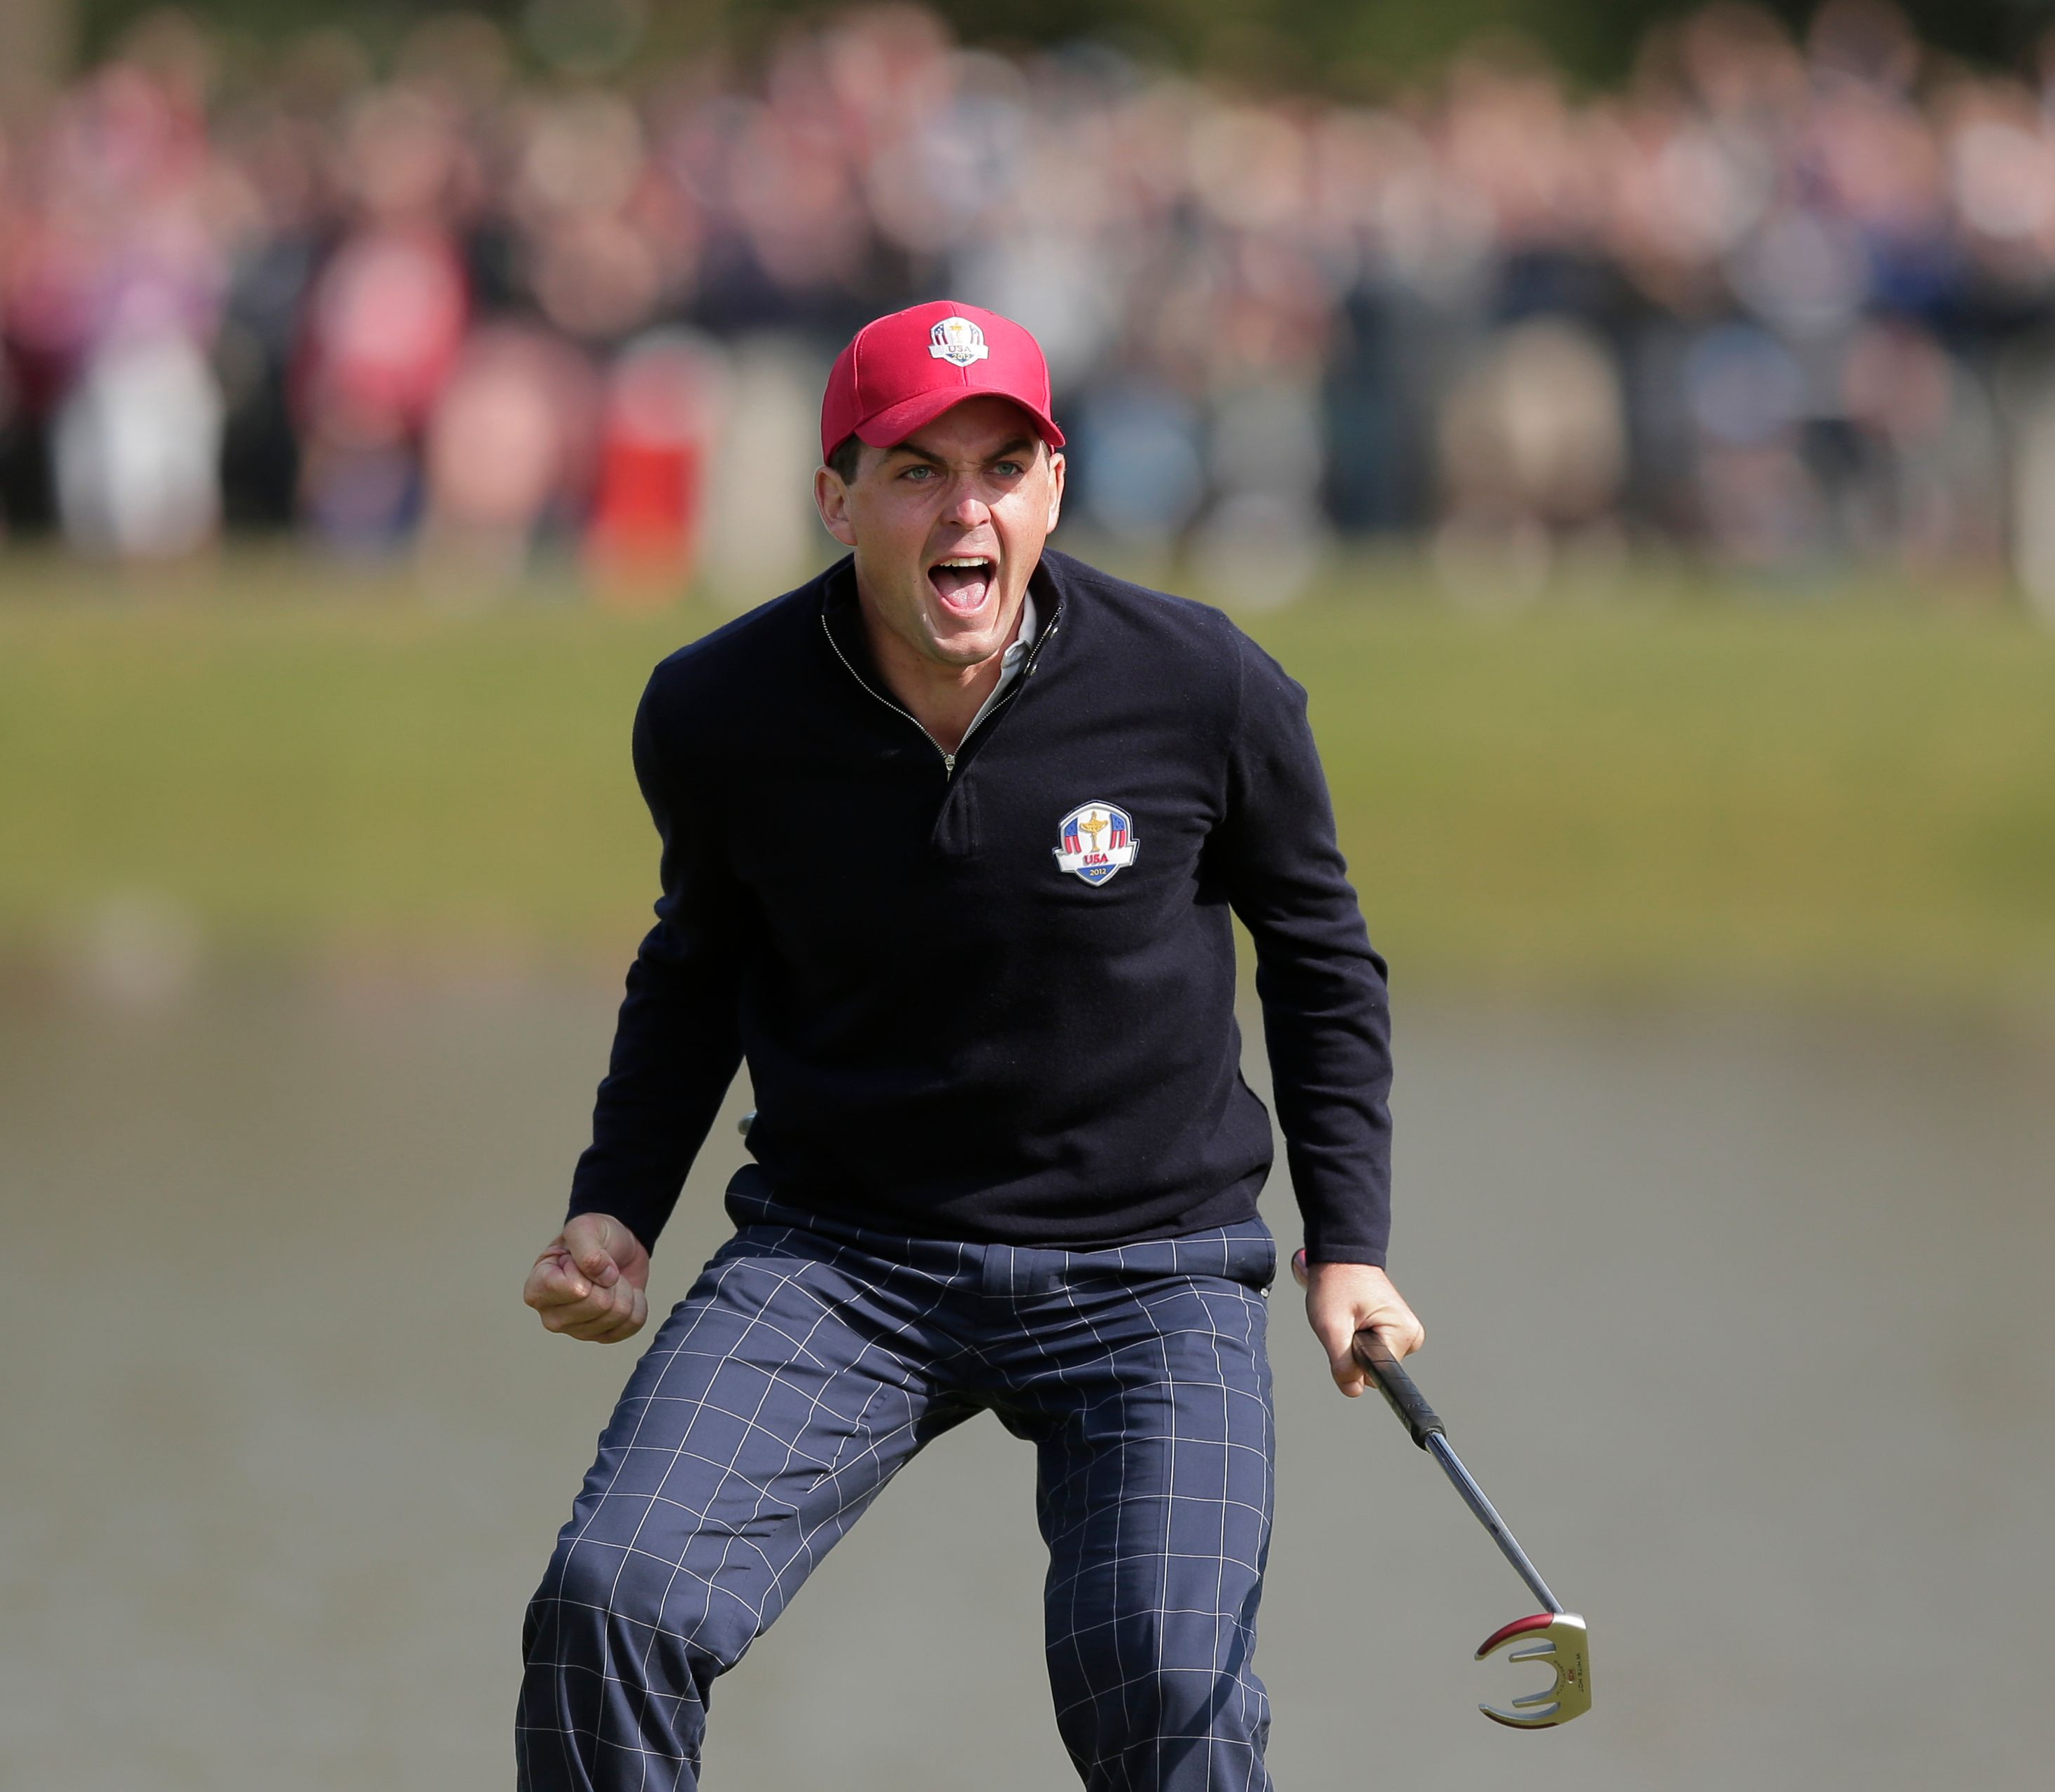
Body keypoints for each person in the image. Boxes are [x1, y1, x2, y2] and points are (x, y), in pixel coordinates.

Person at [517, 300, 1423, 1792]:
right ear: (837, 498)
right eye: (919, 470)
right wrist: (618, 1200)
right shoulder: (716, 708)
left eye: (1006, 466)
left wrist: (1350, 1241)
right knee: (610, 1600)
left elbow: (1322, 962)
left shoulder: (1205, 684)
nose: (969, 507)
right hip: (842, 1257)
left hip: (1153, 1265)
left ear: (1055, 491)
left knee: (1166, 1678)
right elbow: (695, 969)